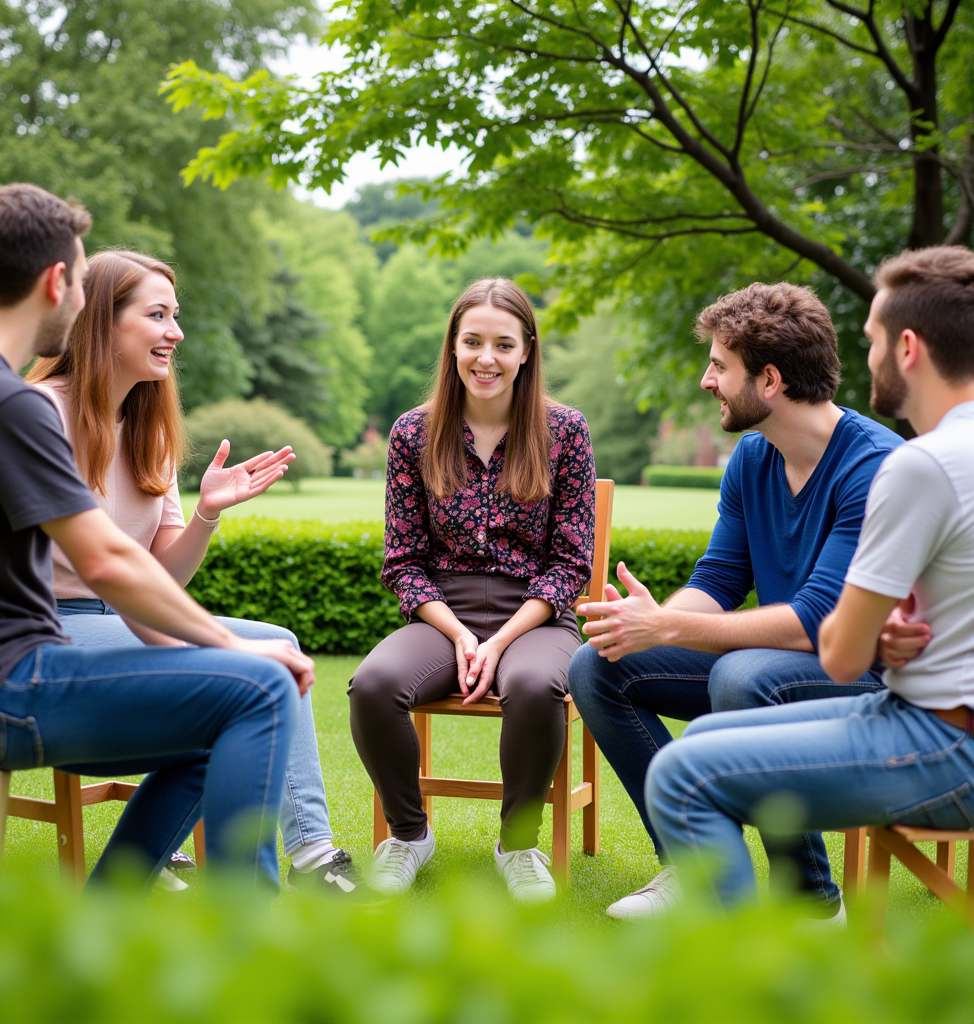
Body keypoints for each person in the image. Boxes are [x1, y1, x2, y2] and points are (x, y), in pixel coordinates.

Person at [0, 183, 313, 891]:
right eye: (83, 283)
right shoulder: (12, 401)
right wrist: (235, 644)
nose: (82, 301)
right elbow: (107, 561)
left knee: (227, 710)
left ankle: (109, 912)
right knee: (260, 687)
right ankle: (255, 943)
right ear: (57, 283)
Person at [24, 249, 372, 900]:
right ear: (101, 322)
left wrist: (207, 513)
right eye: (157, 315)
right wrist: (216, 642)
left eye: (175, 316)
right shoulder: (43, 414)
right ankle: (253, 895)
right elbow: (108, 568)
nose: (176, 333)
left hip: (126, 620)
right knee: (248, 681)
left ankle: (309, 853)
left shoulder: (149, 427)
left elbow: (158, 580)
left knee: (279, 647)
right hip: (53, 631)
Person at [644, 245, 974, 910]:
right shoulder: (937, 459)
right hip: (924, 708)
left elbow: (838, 647)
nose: (866, 359)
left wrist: (874, 635)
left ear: (907, 347)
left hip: (945, 739)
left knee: (680, 771)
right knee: (704, 732)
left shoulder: (913, 464)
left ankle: (781, 960)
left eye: (872, 340)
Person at [570, 283, 902, 920]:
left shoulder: (875, 467)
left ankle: (808, 901)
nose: (706, 381)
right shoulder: (754, 457)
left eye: (719, 366)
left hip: (869, 677)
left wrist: (667, 628)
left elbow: (817, 623)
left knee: (745, 676)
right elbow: (719, 581)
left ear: (770, 380)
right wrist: (642, 622)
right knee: (598, 665)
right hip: (782, 666)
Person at [349, 278, 595, 903]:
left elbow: (571, 563)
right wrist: (460, 634)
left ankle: (518, 842)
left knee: (535, 685)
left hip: (537, 615)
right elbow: (402, 561)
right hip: (441, 612)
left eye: (503, 344)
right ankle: (409, 834)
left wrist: (502, 639)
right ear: (453, 347)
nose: (486, 358)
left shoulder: (565, 431)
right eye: (472, 342)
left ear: (526, 352)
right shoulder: (413, 433)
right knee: (373, 686)